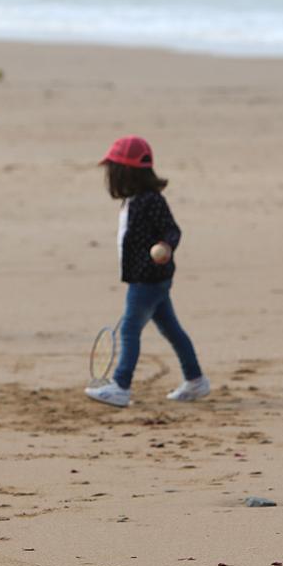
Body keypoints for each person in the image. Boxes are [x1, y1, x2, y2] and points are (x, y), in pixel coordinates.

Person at [84, 135, 208, 408]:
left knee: (129, 329)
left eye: (112, 170)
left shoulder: (150, 201)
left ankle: (121, 385)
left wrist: (166, 245)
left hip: (148, 279)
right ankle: (195, 379)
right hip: (148, 278)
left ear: (125, 172)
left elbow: (172, 230)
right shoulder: (133, 201)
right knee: (171, 330)